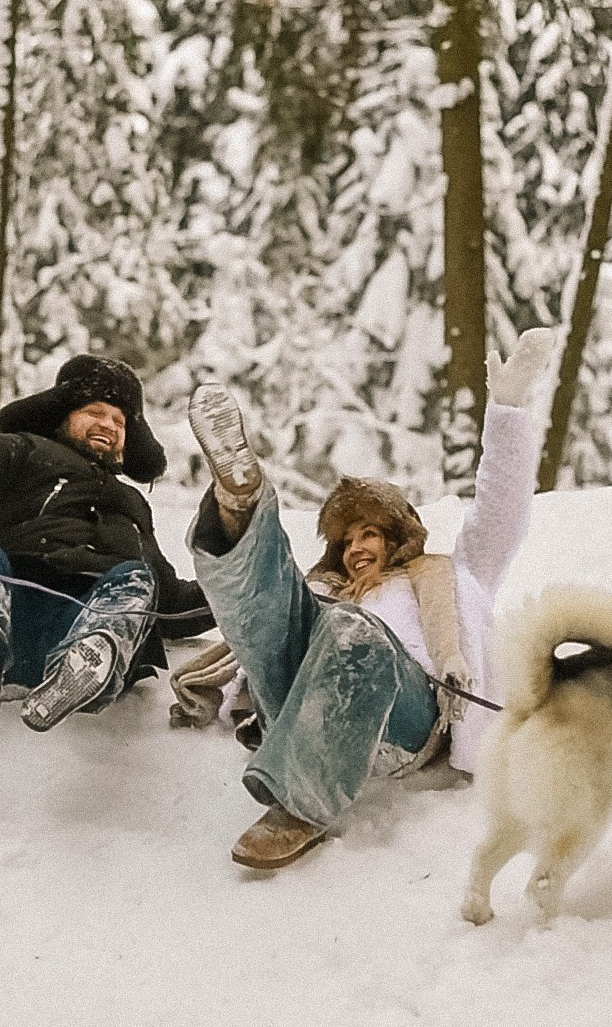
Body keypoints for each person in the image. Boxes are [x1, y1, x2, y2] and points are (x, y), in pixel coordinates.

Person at [185, 329, 553, 869]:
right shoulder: (326, 593)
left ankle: (301, 806)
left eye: (369, 534)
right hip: (302, 698)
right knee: (289, 599)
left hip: (405, 714)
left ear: (397, 538)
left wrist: (509, 413)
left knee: (350, 627)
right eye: (346, 541)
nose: (355, 548)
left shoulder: (445, 575)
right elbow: (255, 624)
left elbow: (502, 512)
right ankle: (238, 506)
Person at [0, 355, 211, 730]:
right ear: (62, 415)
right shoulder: (26, 453)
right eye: (94, 412)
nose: (108, 425)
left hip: (86, 618)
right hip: (16, 610)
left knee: (136, 578)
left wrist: (245, 590)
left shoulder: (134, 505)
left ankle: (86, 663)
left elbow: (169, 604)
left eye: (119, 421)